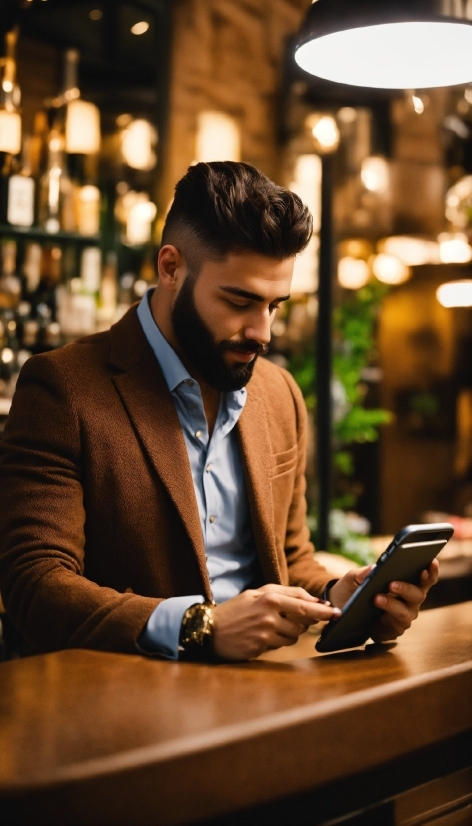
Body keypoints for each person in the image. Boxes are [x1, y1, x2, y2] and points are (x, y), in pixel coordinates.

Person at [0, 162, 438, 661]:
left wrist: (344, 598)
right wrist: (199, 626)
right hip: (121, 705)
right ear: (171, 268)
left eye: (275, 306)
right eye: (239, 301)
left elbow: (289, 562)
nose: (262, 332)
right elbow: (34, 585)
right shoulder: (63, 388)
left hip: (259, 699)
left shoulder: (279, 395)